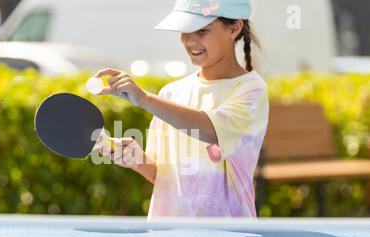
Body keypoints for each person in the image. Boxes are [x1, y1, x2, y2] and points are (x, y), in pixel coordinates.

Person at [96, 0, 269, 219]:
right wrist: (136, 159)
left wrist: (144, 98)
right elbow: (163, 175)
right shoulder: (171, 93)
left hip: (231, 236)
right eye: (184, 31)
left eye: (201, 30)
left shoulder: (250, 89)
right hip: (169, 236)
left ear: (234, 28)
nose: (189, 40)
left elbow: (212, 130)